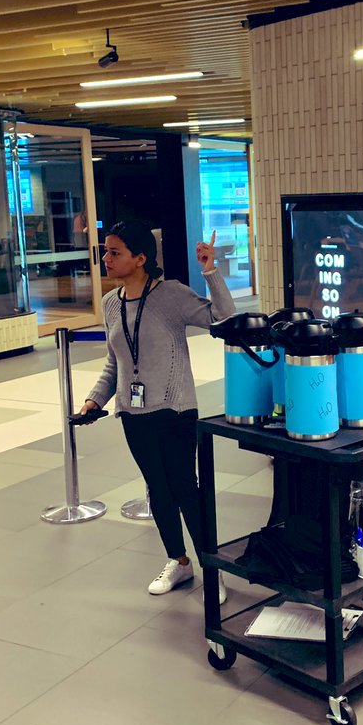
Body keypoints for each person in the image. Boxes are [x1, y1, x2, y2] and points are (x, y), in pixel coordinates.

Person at [79, 221, 236, 598]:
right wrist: (94, 400)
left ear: (141, 258)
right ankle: (178, 562)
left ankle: (213, 570)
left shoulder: (171, 296)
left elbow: (224, 319)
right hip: (133, 414)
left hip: (175, 410)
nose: (106, 258)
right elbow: (114, 363)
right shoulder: (110, 303)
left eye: (115, 252)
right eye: (106, 250)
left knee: (186, 489)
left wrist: (210, 271)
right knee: (158, 491)